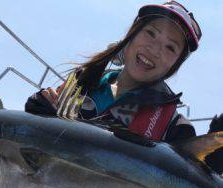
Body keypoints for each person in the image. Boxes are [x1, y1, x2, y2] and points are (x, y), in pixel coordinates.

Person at [26, 1, 202, 143]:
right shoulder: (83, 80)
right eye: (150, 33)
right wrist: (37, 116)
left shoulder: (177, 129)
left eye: (170, 47)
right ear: (132, 34)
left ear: (174, 65)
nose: (154, 50)